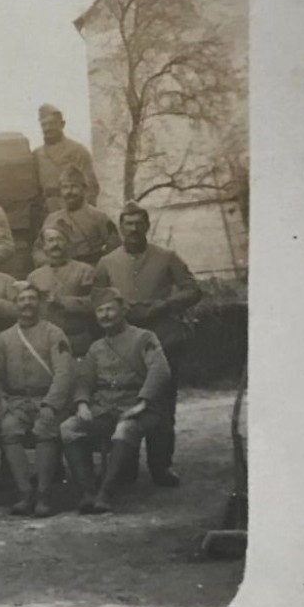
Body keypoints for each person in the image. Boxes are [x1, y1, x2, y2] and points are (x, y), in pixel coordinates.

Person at [93, 201, 203, 487]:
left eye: (138, 223)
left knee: (162, 406)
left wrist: (163, 306)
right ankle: (127, 466)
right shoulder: (107, 262)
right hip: (123, 343)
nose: (133, 229)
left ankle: (160, 466)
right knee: (124, 402)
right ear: (120, 228)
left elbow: (193, 289)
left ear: (147, 225)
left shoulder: (166, 257)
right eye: (127, 224)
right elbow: (97, 298)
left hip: (163, 339)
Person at [59, 287, 172, 514]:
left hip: (138, 407)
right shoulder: (96, 347)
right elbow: (84, 380)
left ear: (123, 309)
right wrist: (82, 404)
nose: (105, 315)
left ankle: (105, 494)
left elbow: (160, 370)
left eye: (110, 309)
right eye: (100, 311)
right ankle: (88, 493)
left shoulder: (144, 337)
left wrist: (143, 401)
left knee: (124, 428)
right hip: (104, 406)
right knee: (69, 427)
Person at [0, 282, 75, 518]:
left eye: (31, 298)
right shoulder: (4, 339)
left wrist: (51, 405)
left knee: (45, 427)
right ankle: (24, 492)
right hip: (16, 401)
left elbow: (64, 373)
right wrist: (2, 403)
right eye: (22, 299)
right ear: (15, 305)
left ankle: (43, 495)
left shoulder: (54, 333)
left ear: (38, 303)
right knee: (8, 428)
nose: (27, 303)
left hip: (46, 398)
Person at [27, 222, 99, 355]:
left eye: (60, 239)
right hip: (44, 342)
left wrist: (62, 301)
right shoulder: (34, 277)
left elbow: (94, 303)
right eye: (51, 240)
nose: (55, 244)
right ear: (44, 246)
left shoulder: (84, 271)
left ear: (68, 243)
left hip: (76, 340)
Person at [35, 165, 120, 267]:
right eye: (65, 187)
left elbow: (116, 247)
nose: (69, 192)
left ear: (84, 189)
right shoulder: (51, 219)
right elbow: (38, 249)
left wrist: (101, 266)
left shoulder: (99, 217)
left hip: (91, 270)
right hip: (60, 270)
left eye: (74, 186)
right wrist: (48, 264)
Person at [32, 103, 100, 215]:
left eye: (52, 123)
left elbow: (91, 186)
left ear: (62, 124)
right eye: (44, 125)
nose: (48, 128)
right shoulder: (37, 154)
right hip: (47, 212)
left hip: (73, 209)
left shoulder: (78, 151)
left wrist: (83, 214)